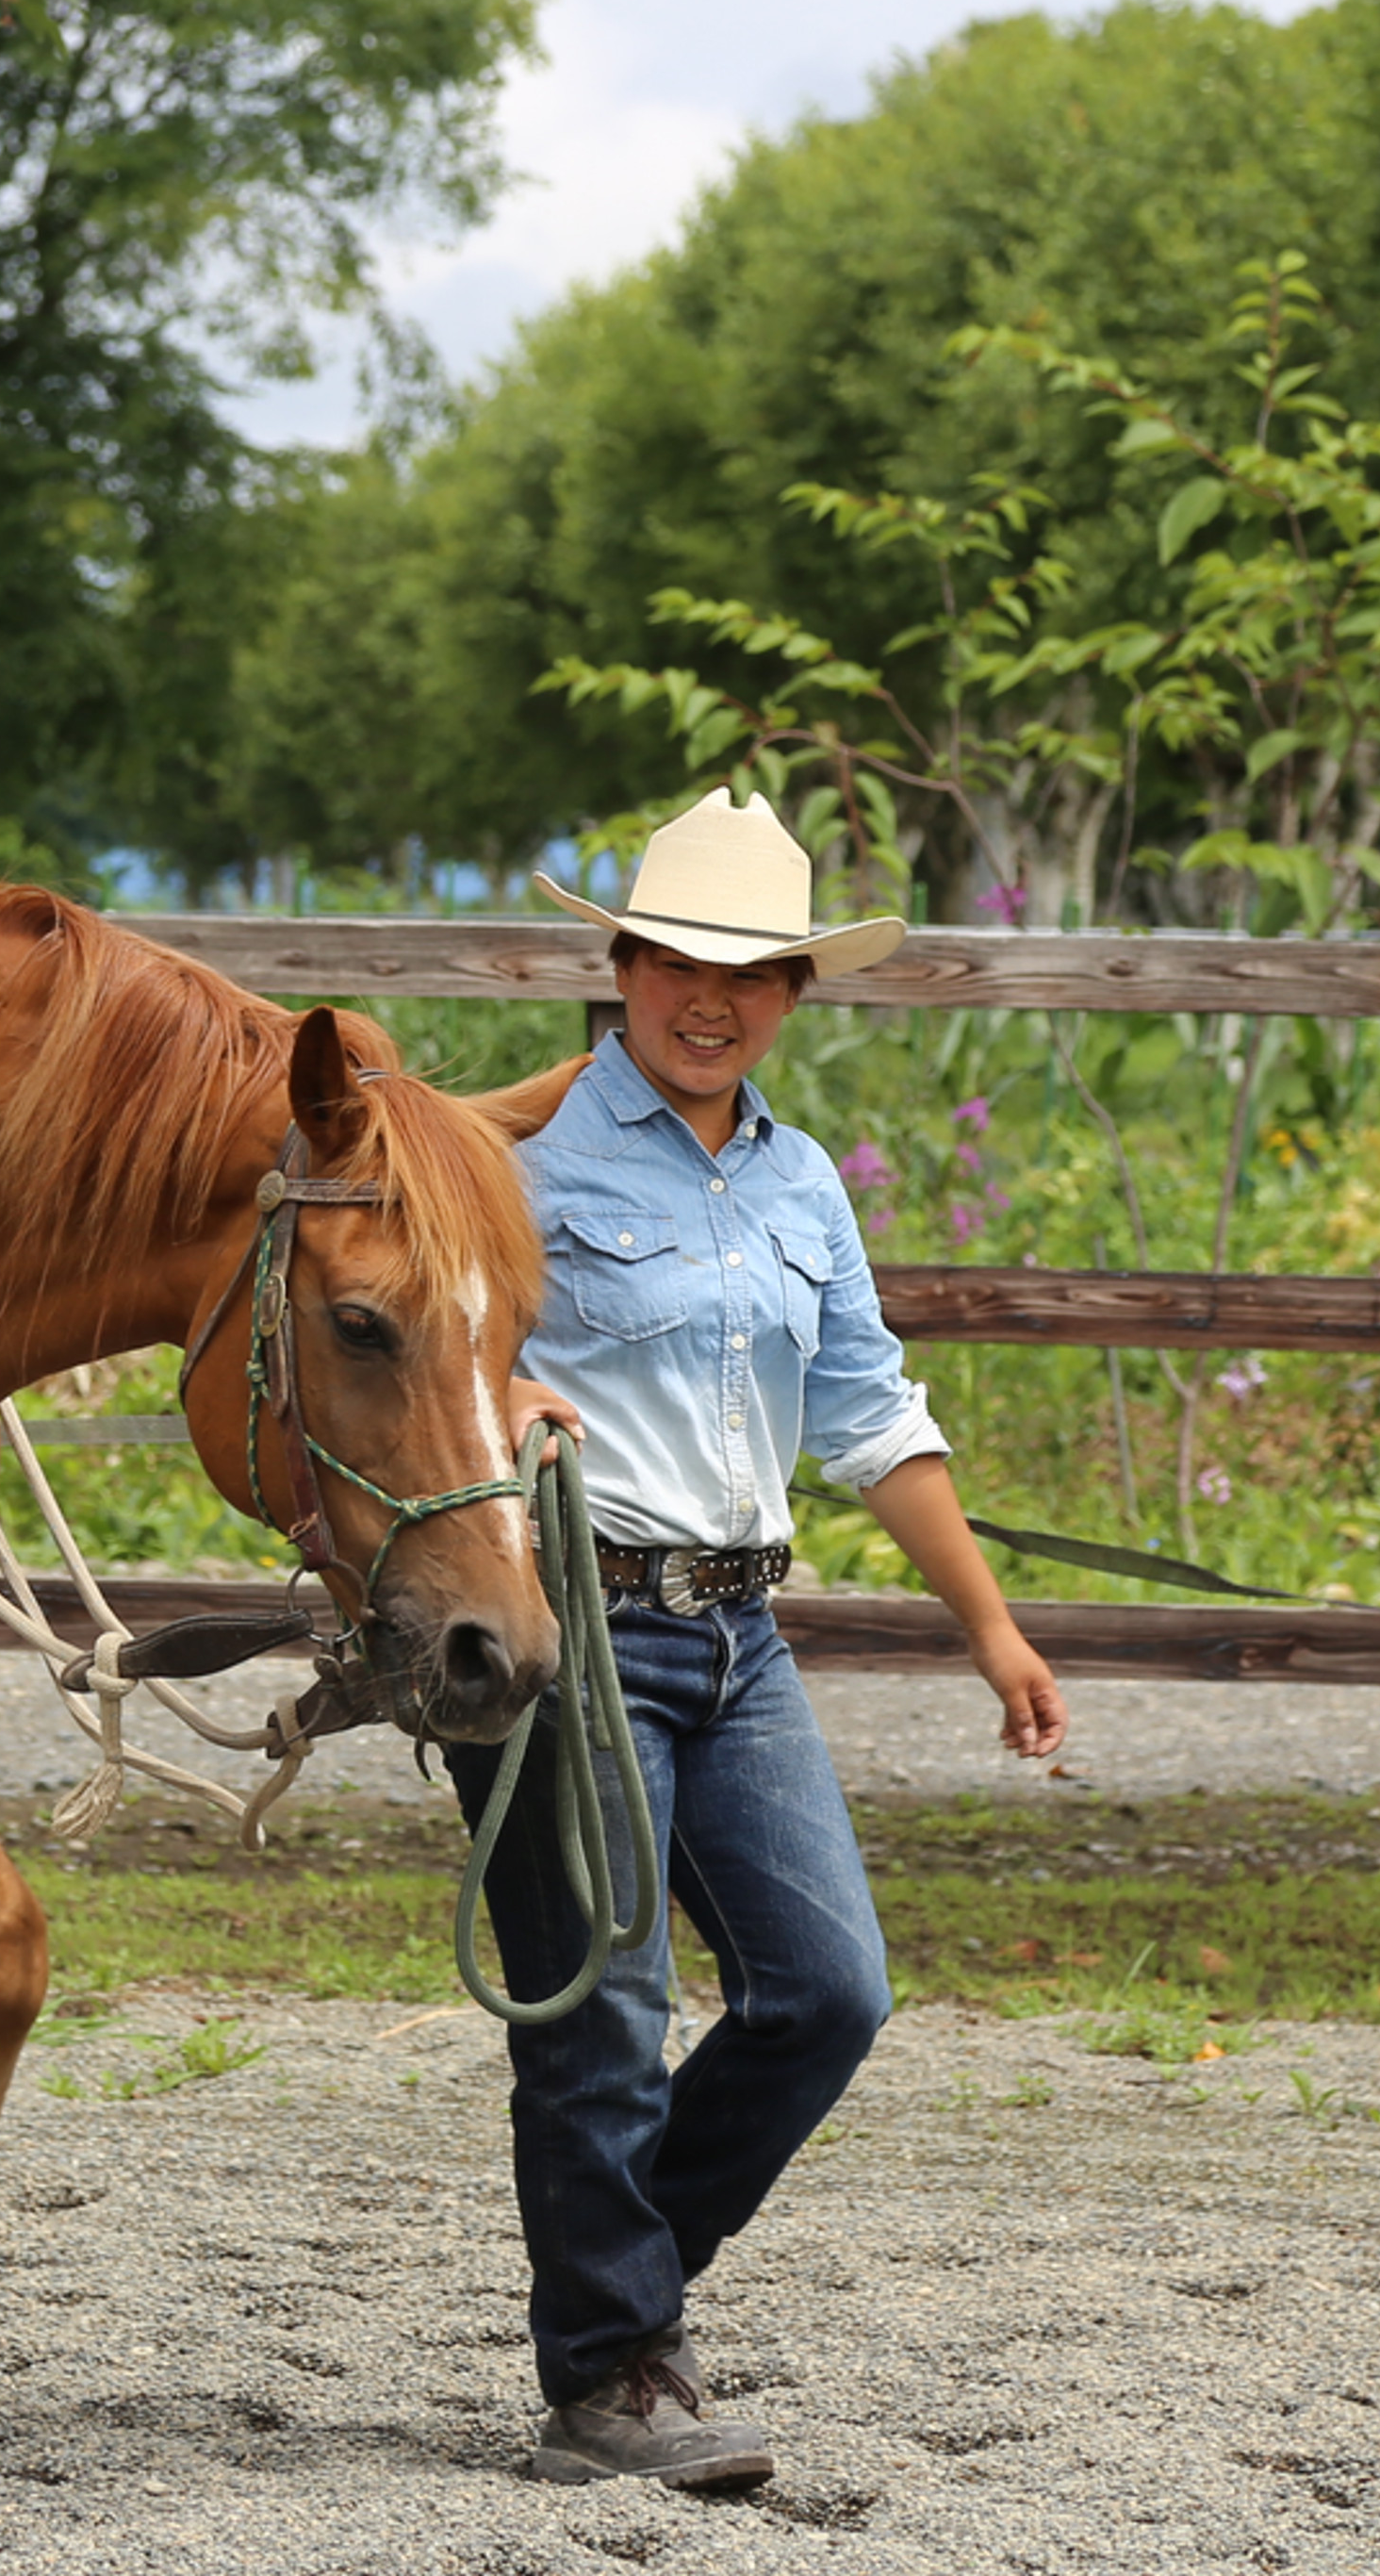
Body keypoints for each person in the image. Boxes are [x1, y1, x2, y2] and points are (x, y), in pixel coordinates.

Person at [483, 789, 1070, 2491]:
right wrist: (498, 1390)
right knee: (607, 2011)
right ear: (622, 966)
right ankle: (611, 2370)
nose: (710, 999)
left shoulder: (802, 1182)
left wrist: (993, 1631)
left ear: (797, 992)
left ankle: (614, 2292)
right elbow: (418, 1348)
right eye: (678, 962)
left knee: (828, 1992)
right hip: (581, 1626)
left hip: (741, 1636)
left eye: (750, 972)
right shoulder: (517, 1166)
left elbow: (873, 1415)